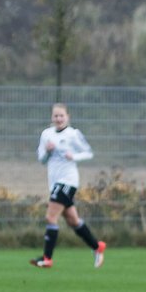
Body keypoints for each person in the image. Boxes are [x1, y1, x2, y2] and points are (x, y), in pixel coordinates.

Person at [30, 103, 105, 270]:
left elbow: (88, 153)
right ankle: (97, 247)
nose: (58, 119)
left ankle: (47, 258)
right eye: (55, 116)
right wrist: (48, 151)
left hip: (68, 181)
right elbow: (41, 159)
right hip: (55, 183)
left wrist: (74, 156)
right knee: (73, 220)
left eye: (61, 116)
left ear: (67, 117)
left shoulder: (73, 134)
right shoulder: (46, 134)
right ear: (52, 117)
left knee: (50, 217)